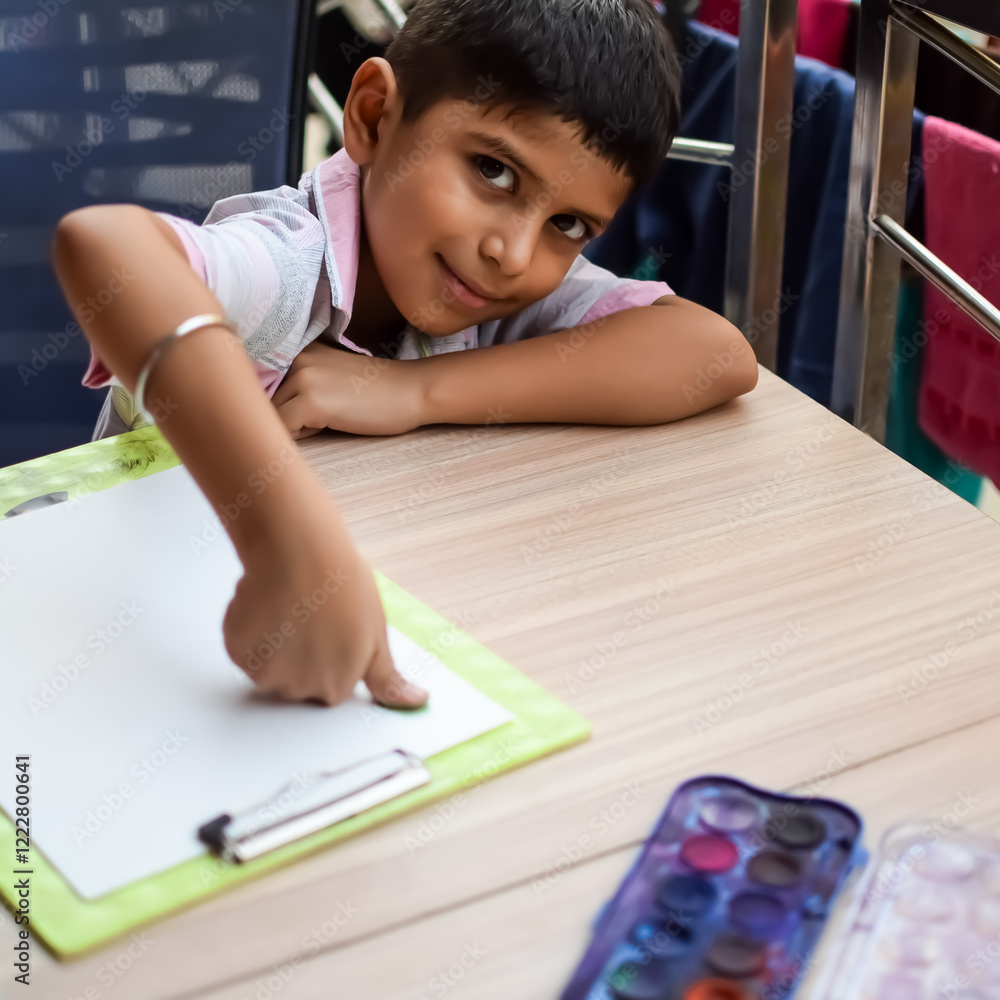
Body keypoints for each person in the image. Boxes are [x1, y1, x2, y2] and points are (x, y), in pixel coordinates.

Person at [51, 0, 758, 710]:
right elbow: (108, 246)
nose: (513, 254)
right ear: (373, 115)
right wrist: (288, 545)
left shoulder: (495, 287)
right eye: (493, 171)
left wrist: (410, 389)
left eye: (568, 224)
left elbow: (715, 354)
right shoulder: (287, 268)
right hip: (108, 661)